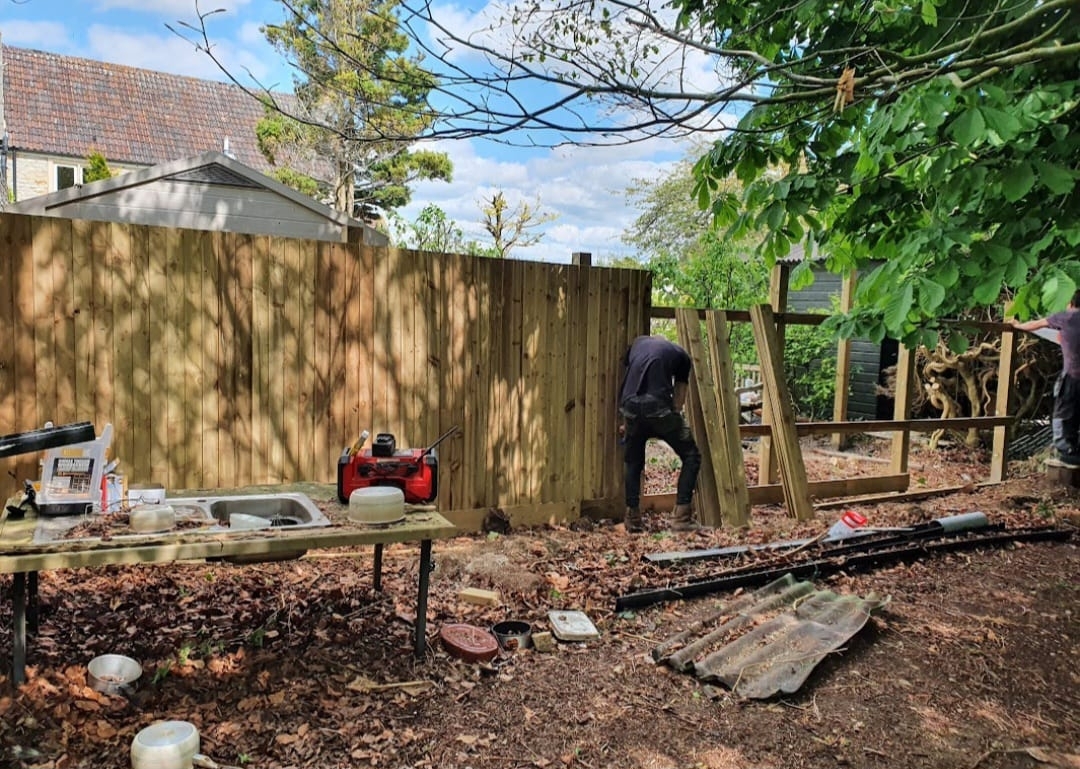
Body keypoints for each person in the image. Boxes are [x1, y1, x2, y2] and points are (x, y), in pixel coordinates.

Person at [618, 335, 703, 532]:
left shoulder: (637, 344)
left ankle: (632, 518)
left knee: (633, 461)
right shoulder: (682, 357)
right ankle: (681, 519)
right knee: (691, 455)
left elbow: (631, 377)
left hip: (630, 406)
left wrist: (626, 422)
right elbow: (678, 400)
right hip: (658, 408)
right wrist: (671, 424)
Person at [1012, 290, 1080, 466]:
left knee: (1064, 412)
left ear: (1071, 303)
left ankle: (1067, 452)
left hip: (1073, 375)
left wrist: (1018, 325)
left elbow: (1037, 324)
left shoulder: (1067, 317)